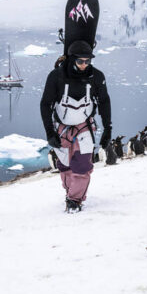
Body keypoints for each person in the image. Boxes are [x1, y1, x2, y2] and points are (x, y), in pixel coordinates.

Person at [40, 40, 112, 212]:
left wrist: (108, 129)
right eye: (80, 61)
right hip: (62, 127)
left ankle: (75, 201)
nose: (84, 65)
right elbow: (45, 104)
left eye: (88, 61)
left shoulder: (97, 77)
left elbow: (104, 102)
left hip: (84, 126)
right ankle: (70, 192)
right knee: (64, 164)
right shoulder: (56, 76)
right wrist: (50, 132)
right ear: (72, 59)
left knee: (82, 165)